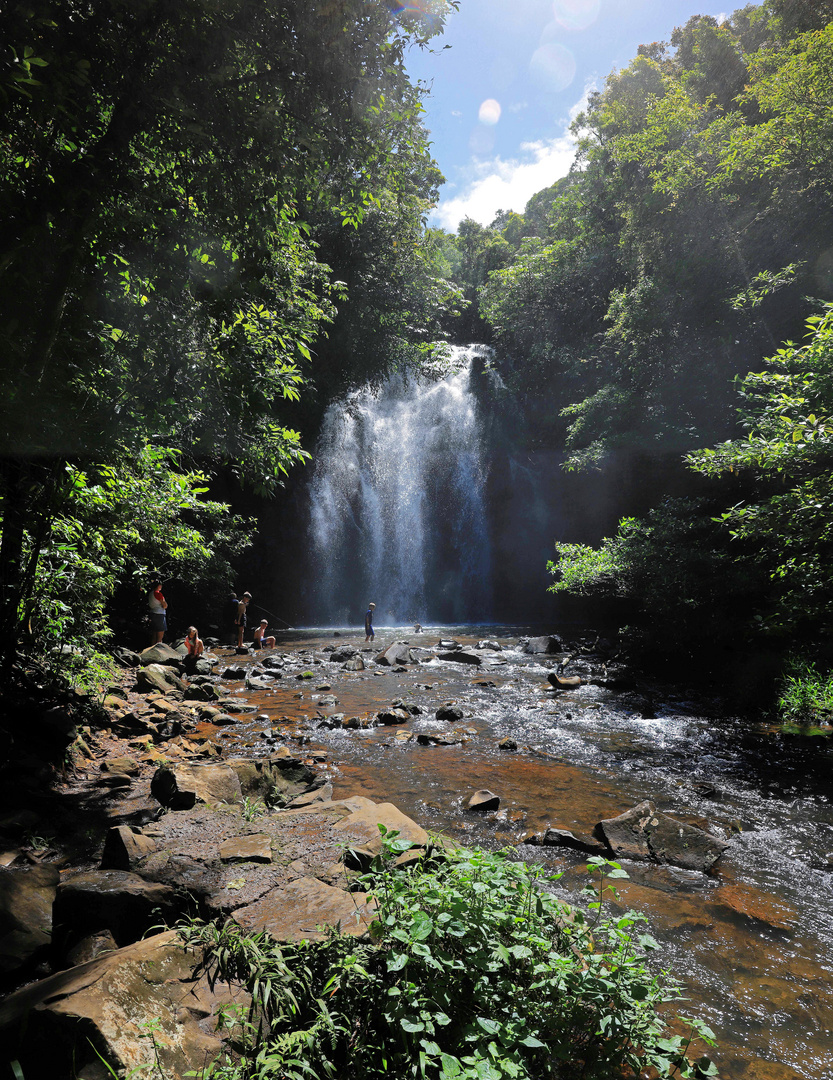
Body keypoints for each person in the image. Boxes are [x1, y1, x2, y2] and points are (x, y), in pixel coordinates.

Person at [147, 580, 167, 645]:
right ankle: (158, 653)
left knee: (154, 635)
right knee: (159, 637)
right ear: (158, 586)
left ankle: (151, 651)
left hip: (153, 614)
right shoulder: (158, 593)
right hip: (159, 615)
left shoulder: (150, 593)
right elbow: (165, 605)